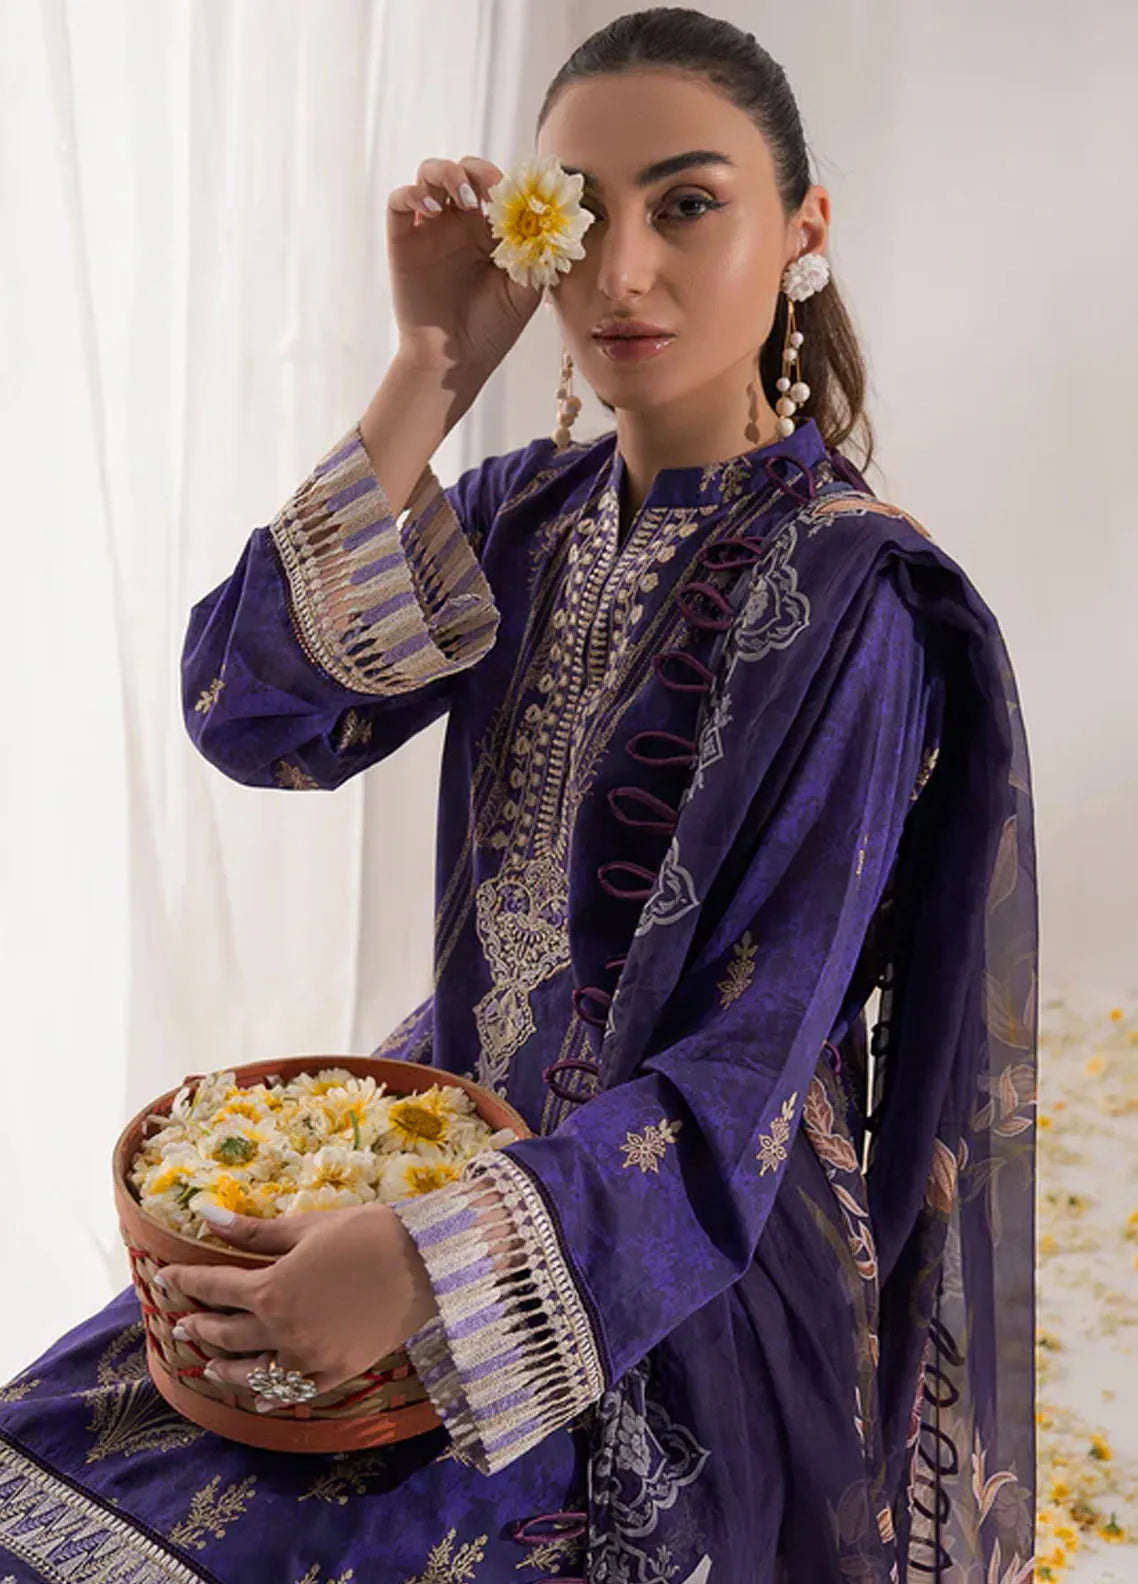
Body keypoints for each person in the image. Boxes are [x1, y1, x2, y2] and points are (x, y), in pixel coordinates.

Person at [0, 9, 1038, 1582]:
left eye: (687, 205)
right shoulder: (520, 517)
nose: (621, 273)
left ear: (801, 229)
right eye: (576, 213)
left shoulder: (855, 598)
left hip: (675, 1262)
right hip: (420, 1155)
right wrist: (432, 364)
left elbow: (744, 1076)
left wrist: (425, 1267)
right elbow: (250, 718)